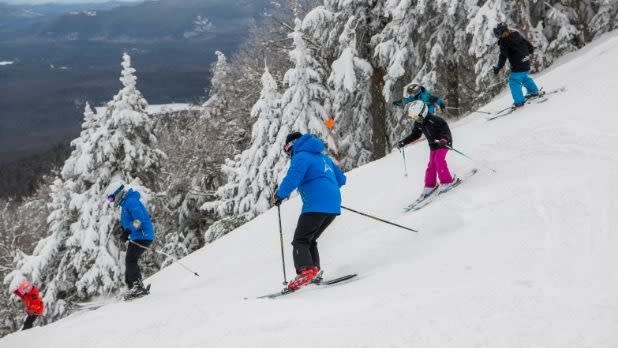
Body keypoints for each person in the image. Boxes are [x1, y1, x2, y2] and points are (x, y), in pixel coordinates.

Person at [272, 132, 347, 291]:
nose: (288, 154)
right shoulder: (324, 157)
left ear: (292, 145)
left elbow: (293, 178)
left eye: (287, 149)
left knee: (300, 240)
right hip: (333, 205)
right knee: (310, 239)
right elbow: (341, 179)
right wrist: (327, 192)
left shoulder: (301, 157)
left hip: (315, 206)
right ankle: (314, 271)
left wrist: (279, 195)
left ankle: (306, 271)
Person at [397, 100, 457, 200]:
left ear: (423, 112)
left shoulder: (434, 120)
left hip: (443, 142)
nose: (416, 119)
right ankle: (430, 185)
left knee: (439, 160)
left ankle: (447, 181)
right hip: (433, 145)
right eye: (414, 117)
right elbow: (415, 135)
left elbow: (445, 130)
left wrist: (444, 139)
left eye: (417, 117)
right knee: (431, 165)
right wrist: (404, 142)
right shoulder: (419, 123)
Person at [106, 183, 155, 299]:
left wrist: (128, 231)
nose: (112, 201)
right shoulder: (125, 204)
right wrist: (123, 230)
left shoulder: (131, 202)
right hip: (138, 236)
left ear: (118, 193)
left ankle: (137, 287)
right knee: (130, 260)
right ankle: (133, 286)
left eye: (112, 198)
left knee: (130, 260)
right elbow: (130, 221)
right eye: (109, 199)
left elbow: (140, 219)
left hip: (143, 235)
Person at [492, 22, 540, 107]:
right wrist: (530, 50)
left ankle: (519, 101)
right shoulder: (516, 34)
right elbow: (528, 44)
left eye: (496, 34)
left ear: (499, 33)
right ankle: (534, 91)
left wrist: (498, 67)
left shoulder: (504, 41)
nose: (497, 36)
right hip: (526, 62)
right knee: (524, 77)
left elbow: (503, 56)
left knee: (514, 81)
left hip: (518, 65)